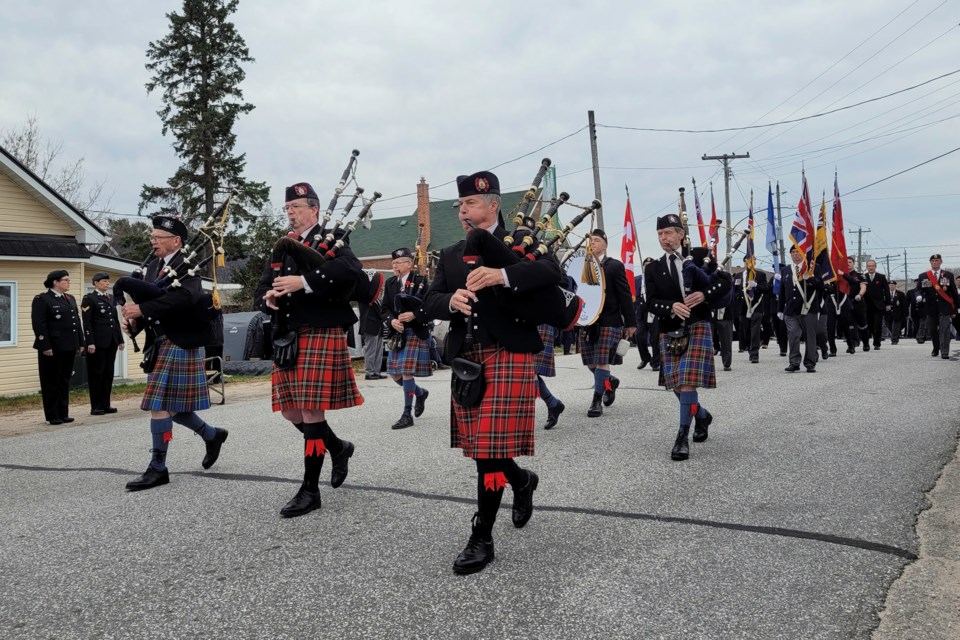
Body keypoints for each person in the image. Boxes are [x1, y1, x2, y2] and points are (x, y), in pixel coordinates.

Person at [423, 170, 559, 575]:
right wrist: (451, 300)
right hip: (470, 359)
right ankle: (520, 480)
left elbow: (552, 274)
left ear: (493, 205)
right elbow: (430, 298)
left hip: (511, 353)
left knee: (487, 454)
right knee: (486, 451)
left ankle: (482, 534)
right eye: (460, 204)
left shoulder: (520, 241)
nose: (463, 210)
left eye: (471, 203)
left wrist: (503, 274)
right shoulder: (449, 254)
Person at [255, 182, 363, 516]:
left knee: (312, 411)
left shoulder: (331, 239)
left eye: (297, 207)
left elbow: (350, 270)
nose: (290, 213)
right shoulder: (283, 246)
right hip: (288, 333)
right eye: (287, 208)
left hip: (320, 329)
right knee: (291, 412)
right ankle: (338, 447)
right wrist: (268, 298)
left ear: (314, 209)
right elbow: (261, 286)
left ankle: (310, 489)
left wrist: (302, 282)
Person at [121, 217, 229, 491]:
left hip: (181, 341)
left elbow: (185, 299)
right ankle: (212, 435)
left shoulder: (188, 266)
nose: (153, 241)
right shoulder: (153, 267)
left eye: (158, 236)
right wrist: (135, 321)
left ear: (176, 241)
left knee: (160, 406)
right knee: (176, 409)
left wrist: (143, 311)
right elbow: (150, 301)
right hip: (160, 342)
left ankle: (158, 467)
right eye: (152, 236)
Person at [644, 216, 730, 461]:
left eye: (668, 233)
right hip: (669, 328)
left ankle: (682, 436)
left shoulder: (701, 254)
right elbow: (650, 302)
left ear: (681, 234)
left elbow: (723, 282)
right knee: (676, 384)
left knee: (687, 380)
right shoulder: (653, 267)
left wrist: (704, 294)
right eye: (660, 234)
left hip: (698, 324)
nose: (664, 238)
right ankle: (701, 415)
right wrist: (671, 306)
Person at [579, 229, 637, 418]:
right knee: (590, 362)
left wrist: (630, 322)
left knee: (602, 360)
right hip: (588, 321)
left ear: (605, 244)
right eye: (590, 241)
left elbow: (624, 294)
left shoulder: (614, 266)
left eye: (596, 240)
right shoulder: (582, 265)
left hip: (609, 320)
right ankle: (609, 381)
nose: (592, 244)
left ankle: (596, 401)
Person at [382, 247, 432, 430]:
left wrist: (414, 314)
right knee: (395, 374)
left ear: (409, 264)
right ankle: (420, 393)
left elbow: (431, 305)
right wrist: (392, 320)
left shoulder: (421, 281)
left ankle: (406, 413)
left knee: (406, 371)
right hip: (398, 333)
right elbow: (385, 308)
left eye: (399, 262)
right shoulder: (390, 284)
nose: (395, 265)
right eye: (393, 262)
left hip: (414, 331)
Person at [31, 269, 83, 425]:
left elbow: (76, 322)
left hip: (69, 346)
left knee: (64, 380)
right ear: (55, 282)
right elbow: (39, 324)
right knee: (51, 381)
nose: (69, 282)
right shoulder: (43, 299)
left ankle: (63, 413)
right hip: (52, 347)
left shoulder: (70, 298)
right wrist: (45, 344)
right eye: (66, 280)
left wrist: (80, 342)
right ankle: (52, 415)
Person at [81, 272, 124, 415]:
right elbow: (87, 323)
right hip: (97, 343)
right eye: (104, 281)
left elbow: (115, 321)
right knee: (96, 374)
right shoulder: (89, 299)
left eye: (108, 281)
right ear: (95, 283)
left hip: (111, 341)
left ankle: (106, 404)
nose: (107, 283)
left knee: (108, 374)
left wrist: (120, 339)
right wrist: (90, 342)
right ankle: (96, 406)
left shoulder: (110, 298)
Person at [779, 246, 823, 373]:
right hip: (791, 309)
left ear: (803, 253)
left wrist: (809, 278)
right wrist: (780, 309)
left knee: (810, 336)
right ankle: (794, 362)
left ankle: (810, 363)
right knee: (793, 335)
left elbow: (820, 285)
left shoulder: (813, 267)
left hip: (808, 307)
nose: (795, 254)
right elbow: (782, 290)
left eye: (798, 251)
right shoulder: (786, 269)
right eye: (792, 251)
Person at [914, 254, 959, 359]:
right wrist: (918, 296)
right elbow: (918, 290)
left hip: (944, 307)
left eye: (937, 260)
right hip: (930, 307)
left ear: (941, 262)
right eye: (933, 261)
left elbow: (953, 292)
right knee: (932, 330)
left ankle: (944, 351)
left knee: (945, 330)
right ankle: (936, 347)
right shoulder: (923, 276)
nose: (935, 262)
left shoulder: (948, 275)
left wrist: (956, 307)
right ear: (930, 262)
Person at [735, 263, 771, 364]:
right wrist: (741, 294)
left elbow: (766, 289)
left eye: (752, 260)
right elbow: (734, 291)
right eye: (747, 261)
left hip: (756, 306)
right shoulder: (738, 275)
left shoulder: (760, 275)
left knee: (755, 331)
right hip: (743, 307)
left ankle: (754, 354)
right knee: (746, 332)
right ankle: (750, 349)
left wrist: (756, 286)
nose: (749, 263)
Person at [863, 259, 891, 350]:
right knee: (868, 325)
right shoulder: (863, 277)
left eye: (872, 266)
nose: (870, 268)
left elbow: (886, 291)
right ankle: (866, 343)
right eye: (869, 266)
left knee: (877, 325)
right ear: (867, 267)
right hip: (867, 305)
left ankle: (877, 343)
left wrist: (888, 304)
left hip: (878, 305)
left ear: (875, 266)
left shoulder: (881, 277)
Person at [357, 299, 385, 380]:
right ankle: (369, 372)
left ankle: (376, 371)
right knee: (370, 350)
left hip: (378, 326)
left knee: (379, 351)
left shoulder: (378, 300)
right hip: (369, 325)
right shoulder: (365, 298)